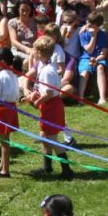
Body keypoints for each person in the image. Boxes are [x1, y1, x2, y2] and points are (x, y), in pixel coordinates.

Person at [28, 36, 73, 180]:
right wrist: (35, 94)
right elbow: (44, 89)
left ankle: (67, 170)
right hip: (49, 105)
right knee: (44, 137)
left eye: (35, 49)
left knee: (52, 139)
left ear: (40, 52)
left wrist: (37, 102)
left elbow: (48, 93)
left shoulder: (47, 70)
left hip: (51, 106)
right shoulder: (45, 66)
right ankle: (47, 167)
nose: (33, 52)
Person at [0, 47, 19, 178]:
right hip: (11, 108)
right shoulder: (13, 74)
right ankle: (1, 165)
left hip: (2, 110)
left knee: (4, 141)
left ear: (3, 62)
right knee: (5, 139)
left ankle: (5, 170)